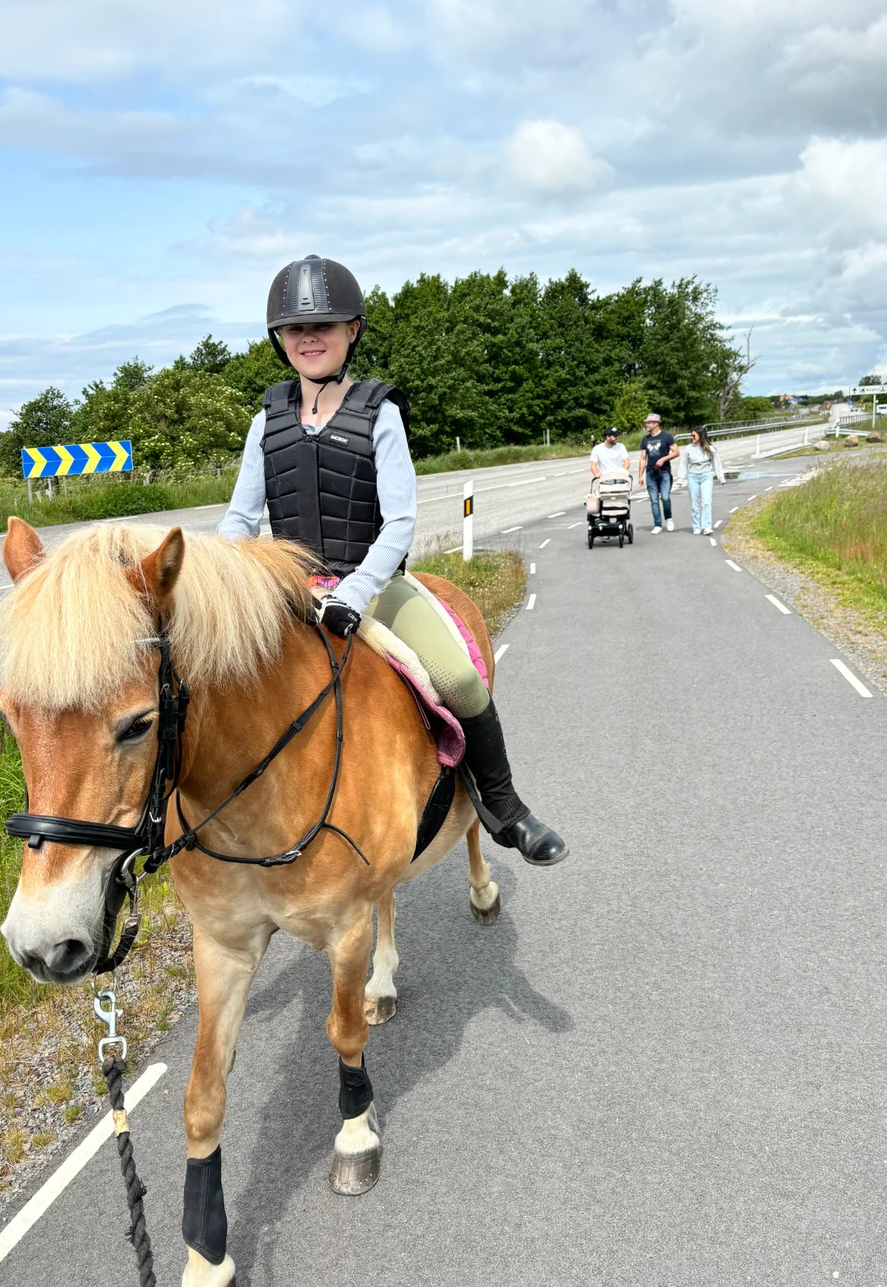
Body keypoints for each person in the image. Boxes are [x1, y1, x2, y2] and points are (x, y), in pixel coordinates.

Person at [218, 254, 567, 866]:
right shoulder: (264, 420)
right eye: (296, 329)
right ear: (279, 339)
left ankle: (506, 807)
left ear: (352, 331)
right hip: (290, 590)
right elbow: (242, 521)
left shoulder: (381, 413)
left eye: (324, 326)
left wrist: (354, 592)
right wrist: (217, 577)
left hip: (371, 587)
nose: (309, 338)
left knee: (458, 677)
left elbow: (400, 520)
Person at [638, 413, 678, 533]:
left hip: (664, 472)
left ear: (656, 424)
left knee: (665, 498)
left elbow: (676, 452)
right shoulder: (645, 439)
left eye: (649, 423)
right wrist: (640, 475)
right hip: (650, 473)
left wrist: (663, 459)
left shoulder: (666, 437)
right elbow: (643, 458)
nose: (646, 425)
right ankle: (657, 524)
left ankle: (669, 518)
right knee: (654, 500)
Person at [682, 425, 725, 534]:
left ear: (701, 436)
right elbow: (683, 464)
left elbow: (717, 463)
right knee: (694, 503)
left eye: (694, 435)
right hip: (693, 477)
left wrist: (721, 478)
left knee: (706, 502)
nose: (691, 437)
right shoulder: (688, 448)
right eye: (691, 435)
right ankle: (696, 526)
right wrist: (680, 479)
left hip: (706, 476)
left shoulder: (710, 448)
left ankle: (707, 527)